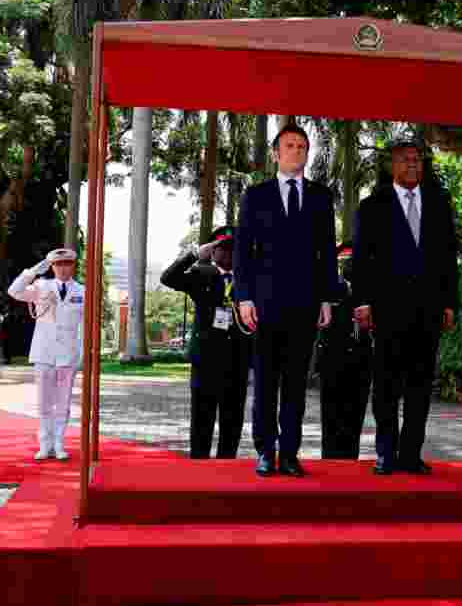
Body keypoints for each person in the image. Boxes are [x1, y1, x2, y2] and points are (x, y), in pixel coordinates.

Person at [233, 123, 336, 477]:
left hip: (306, 303)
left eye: (303, 146)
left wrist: (326, 298)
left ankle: (290, 453)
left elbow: (327, 254)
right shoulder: (256, 196)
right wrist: (243, 297)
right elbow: (242, 252)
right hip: (264, 304)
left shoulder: (322, 197)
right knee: (265, 381)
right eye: (290, 146)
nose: (297, 151)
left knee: (295, 382)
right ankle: (265, 450)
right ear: (276, 153)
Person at [352, 140, 458, 475]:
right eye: (405, 160)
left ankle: (411, 453)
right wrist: (363, 302)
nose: (413, 164)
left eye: (417, 160)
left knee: (420, 384)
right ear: (392, 165)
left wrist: (449, 303)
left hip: (427, 310)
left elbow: (447, 259)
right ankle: (385, 452)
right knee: (386, 385)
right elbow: (361, 260)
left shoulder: (440, 204)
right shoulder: (372, 206)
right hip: (387, 309)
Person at [160, 226, 250, 459]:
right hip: (206, 358)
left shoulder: (250, 277)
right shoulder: (201, 273)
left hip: (237, 357)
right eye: (222, 249)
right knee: (202, 415)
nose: (228, 254)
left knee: (232, 416)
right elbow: (168, 278)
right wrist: (194, 255)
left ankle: (226, 462)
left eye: (234, 249)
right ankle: (199, 464)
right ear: (212, 251)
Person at [8, 248, 85, 461]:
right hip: (44, 352)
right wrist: (33, 272)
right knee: (43, 401)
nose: (62, 268)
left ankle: (59, 444)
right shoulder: (41, 286)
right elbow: (13, 291)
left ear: (73, 266)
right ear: (51, 266)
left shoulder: (82, 291)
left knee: (63, 402)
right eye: (58, 264)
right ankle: (44, 444)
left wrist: (81, 353)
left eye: (67, 264)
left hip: (67, 354)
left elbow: (85, 326)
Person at [317, 242, 374, 459]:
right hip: (332, 357)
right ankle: (330, 459)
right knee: (331, 414)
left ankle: (350, 458)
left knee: (355, 413)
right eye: (344, 262)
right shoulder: (329, 289)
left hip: (361, 357)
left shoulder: (368, 289)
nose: (348, 266)